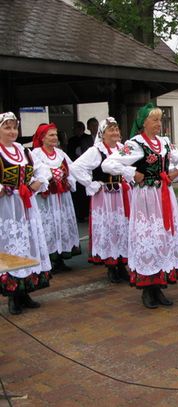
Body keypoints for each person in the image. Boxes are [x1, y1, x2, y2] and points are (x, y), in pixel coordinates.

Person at [102, 103, 178, 308]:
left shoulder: (165, 142)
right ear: (143, 122)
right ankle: (147, 289)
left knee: (163, 237)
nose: (159, 123)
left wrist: (176, 170)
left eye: (160, 119)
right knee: (148, 237)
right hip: (146, 198)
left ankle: (159, 286)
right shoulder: (135, 144)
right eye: (155, 119)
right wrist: (133, 173)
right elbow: (108, 163)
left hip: (164, 194)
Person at [0, 112, 52, 315]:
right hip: (7, 206)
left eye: (14, 127)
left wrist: (37, 183)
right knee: (11, 246)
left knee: (27, 245)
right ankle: (13, 296)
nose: (12, 131)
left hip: (26, 204)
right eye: (7, 127)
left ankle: (25, 292)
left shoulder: (24, 150)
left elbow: (43, 170)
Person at [71, 117, 131, 283]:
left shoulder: (123, 148)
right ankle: (111, 266)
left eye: (117, 129)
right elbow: (75, 167)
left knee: (122, 227)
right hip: (105, 196)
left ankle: (121, 263)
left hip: (121, 194)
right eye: (111, 130)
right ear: (102, 134)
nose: (115, 133)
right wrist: (90, 183)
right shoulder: (96, 150)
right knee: (109, 227)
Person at [31, 123, 80, 273]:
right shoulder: (35, 154)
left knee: (62, 223)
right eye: (51, 135)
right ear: (42, 137)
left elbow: (71, 169)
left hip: (61, 196)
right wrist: (49, 176)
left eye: (55, 135)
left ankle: (59, 258)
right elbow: (33, 173)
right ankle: (49, 259)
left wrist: (67, 178)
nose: (54, 138)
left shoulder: (60, 153)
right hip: (46, 198)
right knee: (48, 225)